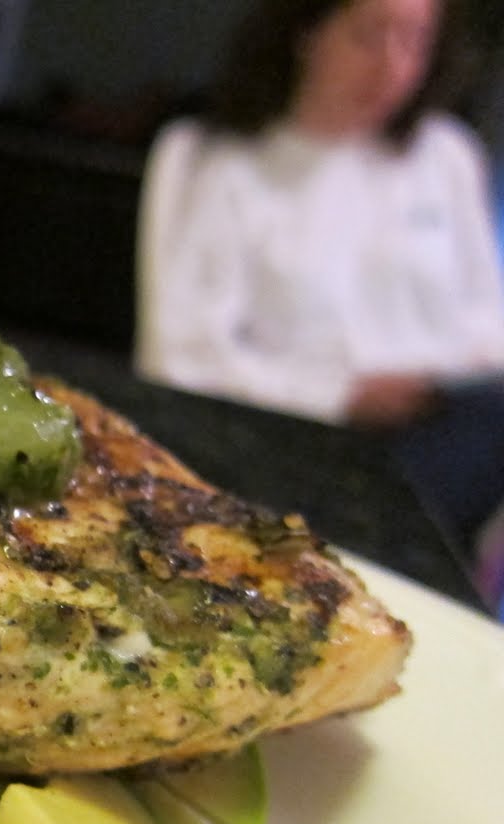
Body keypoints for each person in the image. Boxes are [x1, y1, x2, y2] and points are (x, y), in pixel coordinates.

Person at [138, 0, 504, 560]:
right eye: (368, 36)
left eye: (413, 42)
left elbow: (488, 321)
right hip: (287, 461)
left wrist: (436, 382)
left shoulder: (445, 157)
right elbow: (179, 356)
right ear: (306, 32)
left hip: (443, 452)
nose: (392, 67)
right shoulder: (210, 158)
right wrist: (340, 394)